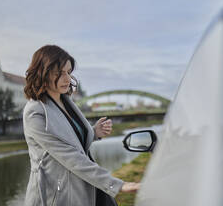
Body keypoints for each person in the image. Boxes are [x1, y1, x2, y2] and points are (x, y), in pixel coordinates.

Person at [23, 45, 140, 206]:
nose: (67, 79)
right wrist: (118, 184)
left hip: (86, 184)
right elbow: (70, 156)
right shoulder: (35, 112)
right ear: (43, 72)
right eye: (59, 73)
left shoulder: (65, 100)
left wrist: (93, 132)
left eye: (69, 72)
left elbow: (71, 139)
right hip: (58, 195)